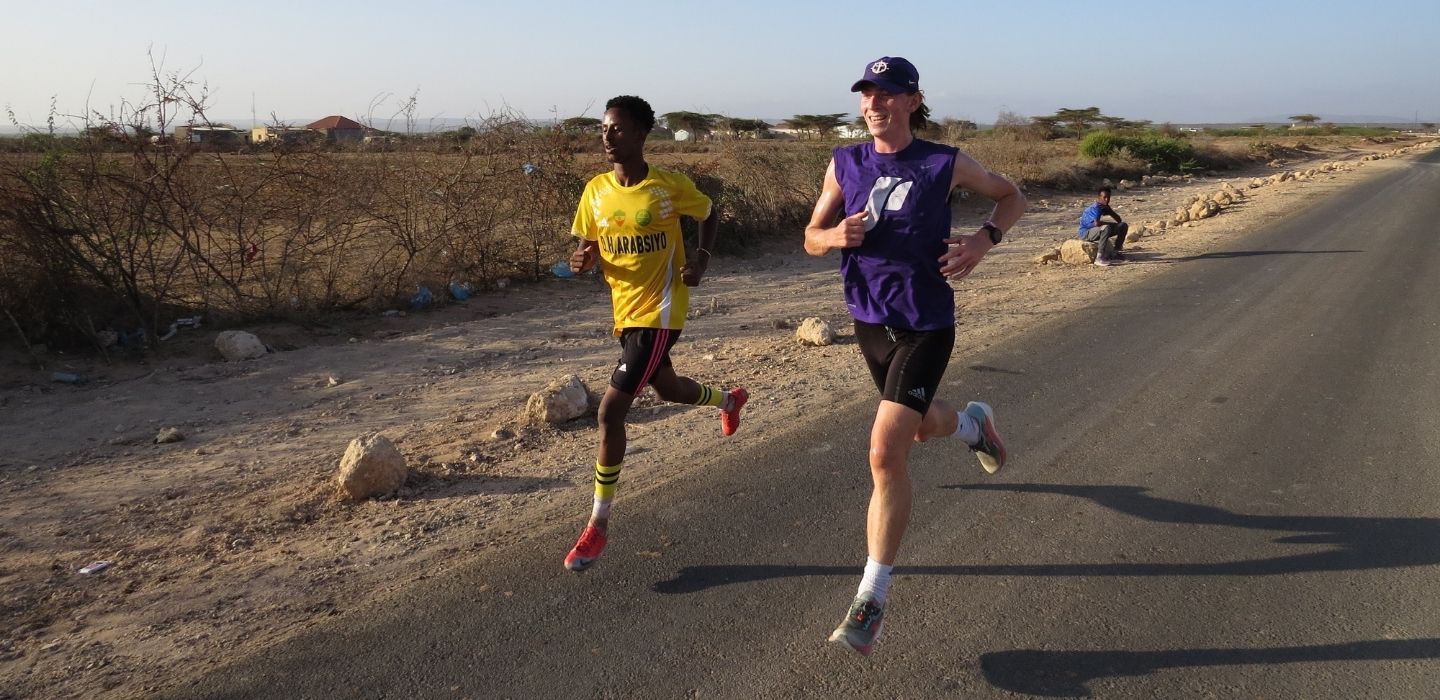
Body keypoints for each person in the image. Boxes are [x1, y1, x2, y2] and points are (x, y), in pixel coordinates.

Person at [803, 56, 1026, 656]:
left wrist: (983, 240)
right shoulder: (844, 162)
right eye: (866, 95)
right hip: (869, 322)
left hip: (927, 324)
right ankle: (972, 423)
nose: (872, 105)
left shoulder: (943, 161)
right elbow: (810, 237)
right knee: (920, 430)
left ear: (912, 100)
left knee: (883, 450)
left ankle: (871, 597)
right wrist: (833, 237)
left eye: (886, 95)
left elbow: (1011, 197)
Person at [563, 95, 748, 572]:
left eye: (618, 129)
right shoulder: (595, 192)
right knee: (667, 388)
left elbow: (708, 214)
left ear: (643, 134)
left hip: (661, 312)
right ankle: (728, 400)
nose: (608, 136)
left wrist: (700, 260)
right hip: (624, 313)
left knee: (609, 413)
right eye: (604, 128)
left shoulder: (668, 188)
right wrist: (580, 260)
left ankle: (597, 527)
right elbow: (585, 246)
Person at [1078, 185, 1128, 266]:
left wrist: (1110, 211)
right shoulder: (1096, 208)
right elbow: (1097, 223)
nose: (1107, 199)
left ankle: (1115, 252)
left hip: (1095, 230)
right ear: (1099, 197)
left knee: (1123, 226)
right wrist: (1109, 224)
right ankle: (1099, 257)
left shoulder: (1104, 206)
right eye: (1104, 197)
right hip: (1085, 232)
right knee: (1106, 228)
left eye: (1108, 197)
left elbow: (1119, 220)